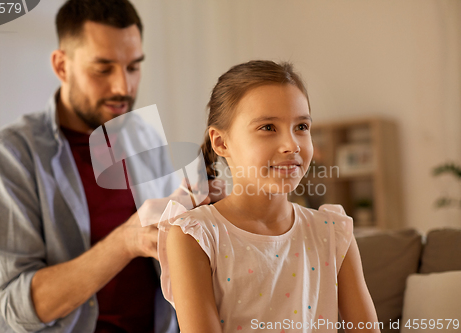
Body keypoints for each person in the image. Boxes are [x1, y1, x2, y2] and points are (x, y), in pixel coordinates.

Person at [0, 0, 224, 332]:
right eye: (103, 69)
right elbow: (15, 307)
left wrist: (206, 219)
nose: (124, 87)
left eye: (133, 67)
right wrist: (125, 242)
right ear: (62, 66)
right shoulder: (8, 155)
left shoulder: (145, 138)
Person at [157, 60, 381, 332]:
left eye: (301, 127)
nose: (292, 145)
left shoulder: (334, 233)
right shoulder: (194, 235)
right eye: (268, 128)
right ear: (221, 143)